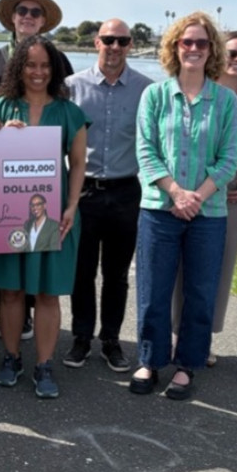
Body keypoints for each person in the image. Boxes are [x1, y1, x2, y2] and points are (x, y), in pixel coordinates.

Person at [131, 12, 237, 401]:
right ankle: (149, 359)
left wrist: (197, 196)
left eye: (202, 43)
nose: (194, 49)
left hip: (208, 215)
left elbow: (229, 159)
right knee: (153, 289)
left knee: (200, 290)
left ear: (212, 51)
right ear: (174, 47)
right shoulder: (155, 96)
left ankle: (187, 365)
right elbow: (145, 150)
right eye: (186, 42)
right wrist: (176, 192)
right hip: (159, 208)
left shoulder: (225, 100)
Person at [0, 36, 88, 399]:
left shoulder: (70, 112)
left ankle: (44, 365)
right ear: (18, 68)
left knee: (46, 292)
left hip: (52, 211)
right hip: (9, 211)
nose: (38, 72)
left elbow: (77, 165)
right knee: (10, 291)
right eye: (30, 65)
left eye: (45, 65)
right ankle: (11, 358)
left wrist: (72, 205)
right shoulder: (1, 108)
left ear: (54, 69)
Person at [0, 0, 74, 340]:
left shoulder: (59, 61)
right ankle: (10, 321)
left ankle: (33, 320)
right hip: (3, 177)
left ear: (44, 20)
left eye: (35, 11)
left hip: (43, 180)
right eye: (22, 10)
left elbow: (65, 121)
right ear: (13, 17)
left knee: (41, 254)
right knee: (9, 259)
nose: (28, 16)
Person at [63, 19, 152, 373]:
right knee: (81, 273)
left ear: (130, 45)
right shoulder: (71, 87)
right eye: (108, 40)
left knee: (116, 275)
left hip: (126, 191)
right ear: (96, 42)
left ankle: (111, 340)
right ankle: (81, 338)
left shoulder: (147, 90)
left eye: (122, 41)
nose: (115, 47)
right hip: (83, 193)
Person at [172, 30, 237, 367]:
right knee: (184, 265)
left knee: (219, 267)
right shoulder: (202, 91)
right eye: (232, 53)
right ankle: (178, 332)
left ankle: (204, 335)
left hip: (235, 191)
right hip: (198, 187)